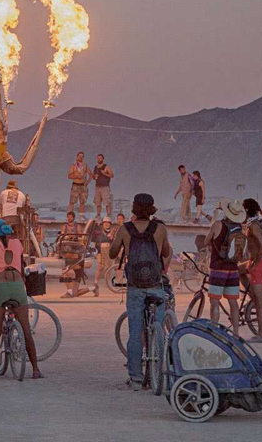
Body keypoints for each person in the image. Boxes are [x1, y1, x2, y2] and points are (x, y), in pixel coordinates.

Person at [111, 194, 173, 389]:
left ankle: (136, 378)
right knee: (159, 330)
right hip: (155, 285)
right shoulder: (160, 229)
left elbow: (112, 253)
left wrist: (121, 243)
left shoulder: (125, 229)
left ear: (134, 209)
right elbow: (165, 253)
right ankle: (160, 371)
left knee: (135, 332)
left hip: (135, 287)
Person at [0, 219, 42, 380]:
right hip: (17, 286)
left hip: (0, 287)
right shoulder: (17, 244)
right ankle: (35, 369)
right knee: (26, 330)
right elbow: (20, 266)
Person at [204, 199, 247, 336]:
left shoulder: (217, 224)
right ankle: (235, 332)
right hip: (233, 268)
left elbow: (206, 241)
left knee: (214, 301)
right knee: (233, 302)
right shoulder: (239, 227)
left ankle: (214, 330)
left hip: (218, 267)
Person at [240, 199, 262, 342]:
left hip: (258, 264)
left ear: (246, 210)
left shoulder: (253, 226)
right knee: (238, 270)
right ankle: (251, 294)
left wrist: (255, 263)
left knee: (259, 301)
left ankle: (261, 334)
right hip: (257, 262)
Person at [91, 153, 114, 220]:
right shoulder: (95, 167)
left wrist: (104, 173)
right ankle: (98, 215)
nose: (99, 159)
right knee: (98, 202)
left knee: (106, 202)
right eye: (98, 158)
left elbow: (112, 175)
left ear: (103, 159)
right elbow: (94, 176)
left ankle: (108, 215)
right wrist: (94, 177)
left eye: (100, 158)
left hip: (105, 187)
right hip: (97, 186)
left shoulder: (106, 166)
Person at [67, 152, 90, 218]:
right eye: (79, 156)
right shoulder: (73, 166)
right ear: (77, 157)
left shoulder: (85, 165)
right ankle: (69, 217)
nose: (80, 157)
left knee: (82, 202)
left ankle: (81, 217)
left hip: (83, 186)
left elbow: (90, 174)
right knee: (72, 202)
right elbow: (69, 176)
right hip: (75, 185)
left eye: (82, 156)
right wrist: (76, 176)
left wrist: (87, 182)